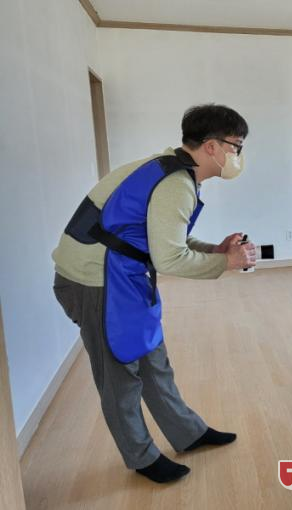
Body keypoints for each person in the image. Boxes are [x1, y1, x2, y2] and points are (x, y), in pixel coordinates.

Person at [51, 104, 257, 483]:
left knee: (153, 360)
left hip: (122, 274)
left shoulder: (174, 171)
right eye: (236, 146)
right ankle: (142, 457)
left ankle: (188, 432)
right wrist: (226, 263)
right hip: (93, 280)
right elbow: (170, 258)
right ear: (212, 146)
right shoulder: (175, 184)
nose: (238, 155)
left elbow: (162, 238)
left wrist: (215, 250)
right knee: (120, 374)